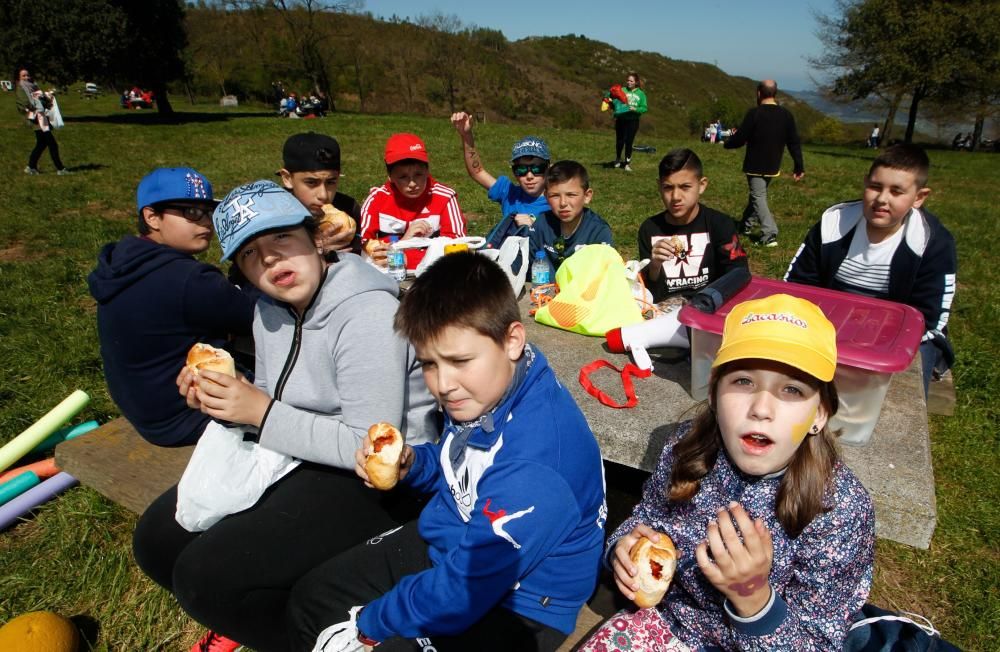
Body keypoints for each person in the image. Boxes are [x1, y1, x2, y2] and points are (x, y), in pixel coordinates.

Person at [131, 180, 439, 652]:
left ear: (316, 238)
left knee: (205, 578)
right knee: (156, 541)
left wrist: (261, 412)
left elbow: (372, 446)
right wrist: (224, 401)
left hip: (385, 484)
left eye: (280, 238)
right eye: (250, 253)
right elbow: (279, 399)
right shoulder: (269, 310)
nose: (270, 259)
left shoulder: (368, 313)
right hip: (298, 456)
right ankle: (278, 618)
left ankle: (327, 637)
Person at [288, 251, 607, 651]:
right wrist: (413, 464)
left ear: (512, 340)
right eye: (429, 364)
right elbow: (464, 465)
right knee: (312, 600)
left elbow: (462, 590)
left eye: (459, 361)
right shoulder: (490, 387)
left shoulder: (536, 465)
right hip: (456, 539)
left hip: (521, 602)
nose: (443, 384)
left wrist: (368, 625)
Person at [581, 293, 875, 651]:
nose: (761, 408)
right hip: (670, 625)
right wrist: (622, 552)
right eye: (743, 382)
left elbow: (817, 642)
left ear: (819, 415)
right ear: (715, 393)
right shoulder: (686, 448)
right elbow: (647, 520)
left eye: (792, 389)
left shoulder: (840, 508)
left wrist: (753, 598)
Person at [88, 167, 254, 447]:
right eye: (191, 212)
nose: (205, 223)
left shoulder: (123, 262)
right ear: (152, 217)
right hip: (186, 418)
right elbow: (256, 315)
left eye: (208, 212)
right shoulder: (189, 279)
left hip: (145, 411)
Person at [784, 144, 956, 394]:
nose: (882, 199)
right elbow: (798, 285)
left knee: (901, 396)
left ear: (919, 197)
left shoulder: (933, 242)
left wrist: (872, 343)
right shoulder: (834, 222)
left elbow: (929, 318)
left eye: (897, 192)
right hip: (828, 322)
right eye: (875, 187)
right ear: (865, 184)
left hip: (897, 336)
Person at [638, 148, 748, 304]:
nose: (676, 197)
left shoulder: (719, 224)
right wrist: (654, 265)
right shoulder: (649, 229)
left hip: (708, 306)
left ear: (701, 185)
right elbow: (648, 292)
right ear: (659, 186)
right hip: (663, 310)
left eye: (685, 187)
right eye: (668, 188)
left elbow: (738, 274)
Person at [360, 132, 466, 270]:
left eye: (418, 175)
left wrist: (407, 258)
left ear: (427, 171)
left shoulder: (445, 197)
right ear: (390, 176)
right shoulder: (377, 199)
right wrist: (403, 242)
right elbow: (363, 242)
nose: (412, 183)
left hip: (435, 274)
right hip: (388, 275)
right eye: (403, 177)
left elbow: (457, 245)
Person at [450, 111, 551, 247]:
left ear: (548, 169)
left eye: (537, 169)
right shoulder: (509, 192)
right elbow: (477, 172)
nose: (529, 176)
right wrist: (466, 136)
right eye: (521, 170)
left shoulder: (558, 201)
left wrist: (535, 227)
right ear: (514, 173)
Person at [724, 79, 804, 247]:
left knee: (758, 196)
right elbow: (794, 142)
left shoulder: (755, 113)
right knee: (756, 195)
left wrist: (727, 143)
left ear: (759, 93)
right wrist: (798, 166)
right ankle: (745, 226)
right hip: (773, 165)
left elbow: (740, 138)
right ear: (775, 93)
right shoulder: (786, 115)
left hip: (755, 164)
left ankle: (769, 234)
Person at [277, 132, 360, 254]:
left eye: (331, 182)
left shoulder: (347, 208)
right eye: (311, 182)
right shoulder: (273, 216)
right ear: (287, 179)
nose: (323, 195)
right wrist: (312, 250)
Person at [529, 160, 612, 277]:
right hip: (545, 292)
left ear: (587, 196)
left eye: (571, 195)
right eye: (555, 196)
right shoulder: (542, 224)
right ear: (546, 197)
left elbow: (604, 276)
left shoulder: (598, 231)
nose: (563, 203)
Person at [15, 68, 69, 175]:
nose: (27, 77)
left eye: (28, 75)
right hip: (37, 119)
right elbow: (26, 104)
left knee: (41, 144)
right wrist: (41, 102)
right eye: (24, 76)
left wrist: (47, 97)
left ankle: (31, 167)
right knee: (52, 144)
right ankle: (60, 169)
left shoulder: (33, 86)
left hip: (42, 118)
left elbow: (39, 99)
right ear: (19, 77)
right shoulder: (21, 88)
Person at [606, 72, 648, 171]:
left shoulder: (641, 94)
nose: (628, 82)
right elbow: (613, 98)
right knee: (620, 141)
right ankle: (617, 159)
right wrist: (609, 102)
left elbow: (644, 108)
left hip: (633, 121)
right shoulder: (622, 90)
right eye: (628, 80)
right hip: (621, 120)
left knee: (629, 142)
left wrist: (636, 109)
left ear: (636, 82)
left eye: (631, 81)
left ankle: (627, 163)